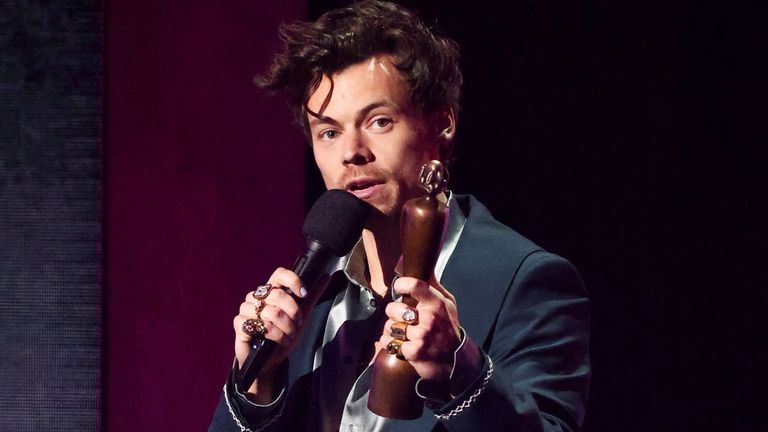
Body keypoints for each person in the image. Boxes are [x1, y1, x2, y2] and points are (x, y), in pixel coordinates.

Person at [209, 1, 590, 431]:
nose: (351, 152)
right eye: (329, 132)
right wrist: (257, 383)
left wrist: (461, 371)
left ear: (441, 125)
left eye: (379, 121)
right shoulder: (310, 298)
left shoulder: (525, 281)